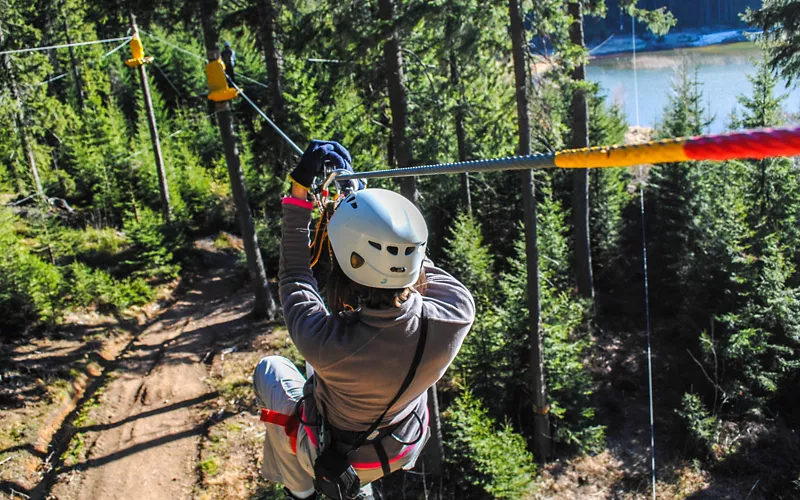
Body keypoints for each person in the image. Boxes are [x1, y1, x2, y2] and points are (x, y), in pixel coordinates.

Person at [253, 141, 475, 499]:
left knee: (269, 369)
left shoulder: (327, 345)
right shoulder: (456, 312)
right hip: (400, 444)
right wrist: (361, 205)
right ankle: (358, 490)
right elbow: (415, 264)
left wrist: (299, 194)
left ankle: (300, 487)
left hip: (338, 451)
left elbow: (296, 275)